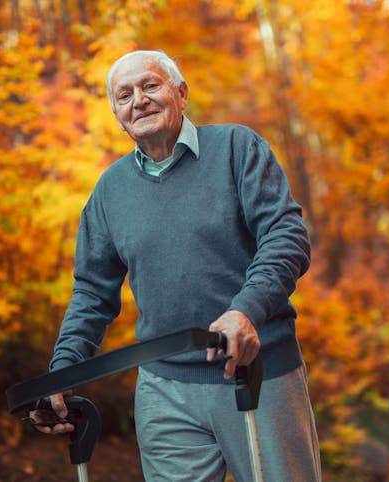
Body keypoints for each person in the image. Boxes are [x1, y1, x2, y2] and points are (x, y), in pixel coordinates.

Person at [30, 49, 322, 481]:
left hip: (259, 377)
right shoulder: (110, 191)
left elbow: (287, 237)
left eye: (150, 86)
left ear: (181, 94)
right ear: (116, 113)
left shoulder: (237, 149)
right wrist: (63, 370)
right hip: (164, 390)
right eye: (124, 95)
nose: (139, 100)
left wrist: (246, 311)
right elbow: (92, 292)